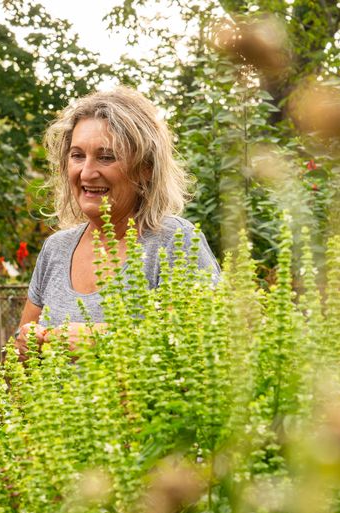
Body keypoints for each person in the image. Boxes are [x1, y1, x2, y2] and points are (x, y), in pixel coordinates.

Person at [16, 86, 220, 356]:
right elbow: (15, 374)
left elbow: (202, 348)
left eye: (106, 157)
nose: (87, 173)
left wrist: (101, 340)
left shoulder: (174, 242)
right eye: (77, 156)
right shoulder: (56, 249)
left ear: (145, 168)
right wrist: (24, 345)